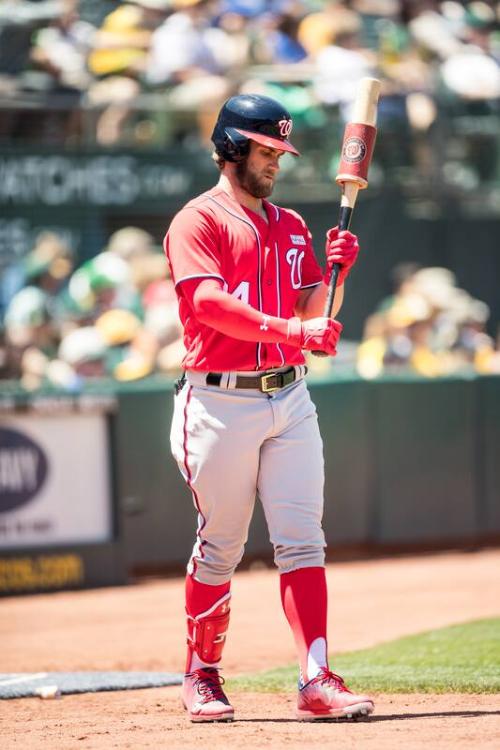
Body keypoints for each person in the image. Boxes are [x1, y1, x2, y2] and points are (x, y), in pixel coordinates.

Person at [164, 93, 374, 722]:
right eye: (266, 149)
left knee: (304, 542)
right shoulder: (196, 220)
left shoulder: (289, 225)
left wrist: (338, 276)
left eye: (280, 150)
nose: (276, 161)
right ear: (231, 147)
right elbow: (206, 303)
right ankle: (201, 675)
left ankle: (316, 681)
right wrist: (295, 330)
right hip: (219, 399)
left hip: (289, 395)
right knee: (221, 546)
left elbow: (317, 313)